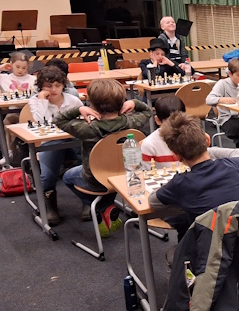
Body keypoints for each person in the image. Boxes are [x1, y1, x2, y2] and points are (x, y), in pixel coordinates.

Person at [54, 80, 152, 233]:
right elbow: (148, 111)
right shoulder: (132, 122)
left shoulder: (87, 128)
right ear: (122, 102)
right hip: (127, 177)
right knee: (104, 173)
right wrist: (134, 102)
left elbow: (58, 120)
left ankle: (102, 207)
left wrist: (79, 109)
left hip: (96, 180)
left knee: (67, 177)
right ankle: (107, 206)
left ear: (91, 104)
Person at [147, 112, 239, 240]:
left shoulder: (180, 184)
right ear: (207, 140)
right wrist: (203, 149)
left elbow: (153, 202)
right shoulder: (234, 166)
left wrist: (182, 200)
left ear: (177, 156)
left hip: (208, 249)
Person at [25, 66, 83, 224]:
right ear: (41, 87)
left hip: (73, 141)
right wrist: (42, 100)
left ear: (64, 85)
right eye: (49, 86)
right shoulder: (36, 101)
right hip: (49, 143)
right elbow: (40, 121)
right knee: (48, 175)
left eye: (58, 85)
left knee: (88, 163)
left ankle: (87, 200)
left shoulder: (73, 101)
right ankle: (50, 205)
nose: (54, 89)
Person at [141, 96, 186, 169]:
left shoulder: (191, 138)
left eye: (180, 121)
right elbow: (145, 172)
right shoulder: (149, 145)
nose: (176, 126)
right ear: (158, 120)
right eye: (170, 123)